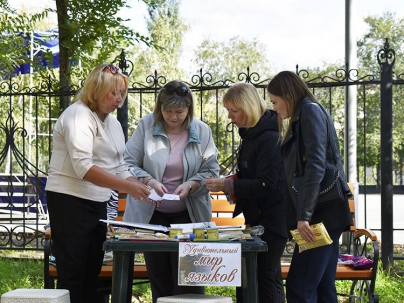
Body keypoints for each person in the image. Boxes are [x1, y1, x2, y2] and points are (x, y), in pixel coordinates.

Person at [45, 63, 152, 303]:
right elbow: (83, 167)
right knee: (73, 273)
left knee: (92, 273)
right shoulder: (77, 115)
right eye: (113, 93)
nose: (118, 99)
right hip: (69, 199)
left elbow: (120, 165)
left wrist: (141, 185)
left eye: (122, 93)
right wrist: (127, 187)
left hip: (97, 202)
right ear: (95, 90)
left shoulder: (113, 123)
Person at [123, 80, 220, 303]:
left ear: (189, 109)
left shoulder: (202, 131)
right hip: (152, 215)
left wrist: (191, 185)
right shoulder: (146, 125)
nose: (173, 116)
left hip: (190, 215)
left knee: (191, 280)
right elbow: (128, 162)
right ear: (159, 108)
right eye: (167, 111)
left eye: (179, 111)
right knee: (160, 279)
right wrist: (149, 181)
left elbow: (210, 170)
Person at [267, 71, 353, 303]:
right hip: (324, 213)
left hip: (319, 216)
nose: (274, 108)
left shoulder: (309, 111)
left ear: (288, 95)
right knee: (323, 287)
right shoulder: (307, 111)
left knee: (300, 286)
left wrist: (303, 216)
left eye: (275, 101)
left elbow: (316, 165)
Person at [205, 82, 288, 303]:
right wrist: (231, 182)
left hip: (271, 219)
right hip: (257, 217)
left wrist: (228, 185)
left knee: (267, 277)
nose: (230, 117)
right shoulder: (252, 134)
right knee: (248, 276)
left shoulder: (268, 137)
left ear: (248, 108)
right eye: (228, 111)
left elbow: (266, 184)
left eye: (234, 111)